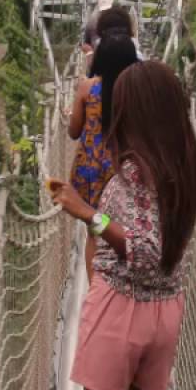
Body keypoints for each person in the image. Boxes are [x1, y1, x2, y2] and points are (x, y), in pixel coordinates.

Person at [50, 60, 196, 390]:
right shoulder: (189, 166)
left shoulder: (136, 172)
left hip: (120, 310)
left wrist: (87, 213)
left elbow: (145, 253)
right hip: (166, 312)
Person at [69, 33, 140, 280]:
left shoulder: (88, 88)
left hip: (92, 173)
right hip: (127, 171)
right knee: (125, 230)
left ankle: (94, 293)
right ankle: (124, 286)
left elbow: (73, 132)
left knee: (96, 231)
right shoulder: (138, 90)